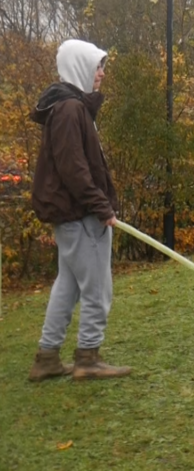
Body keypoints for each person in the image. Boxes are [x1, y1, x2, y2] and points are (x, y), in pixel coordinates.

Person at [28, 39, 131, 381]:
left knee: (68, 285)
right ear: (80, 67)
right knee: (98, 288)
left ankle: (47, 358)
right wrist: (101, 206)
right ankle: (88, 357)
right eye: (97, 66)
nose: (101, 74)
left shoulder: (69, 107)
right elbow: (74, 169)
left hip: (74, 214)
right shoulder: (70, 109)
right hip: (81, 215)